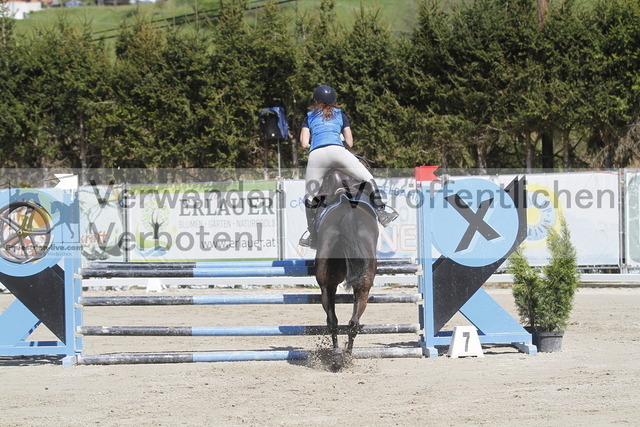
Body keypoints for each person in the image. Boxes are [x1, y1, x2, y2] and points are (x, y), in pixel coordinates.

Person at [299, 85, 398, 248]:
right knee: (368, 178)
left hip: (317, 156)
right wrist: (338, 144)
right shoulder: (340, 114)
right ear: (334, 99)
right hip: (338, 151)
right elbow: (350, 142)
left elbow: (304, 143)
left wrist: (315, 145)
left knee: (310, 197)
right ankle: (382, 213)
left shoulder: (308, 116)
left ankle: (312, 235)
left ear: (316, 100)